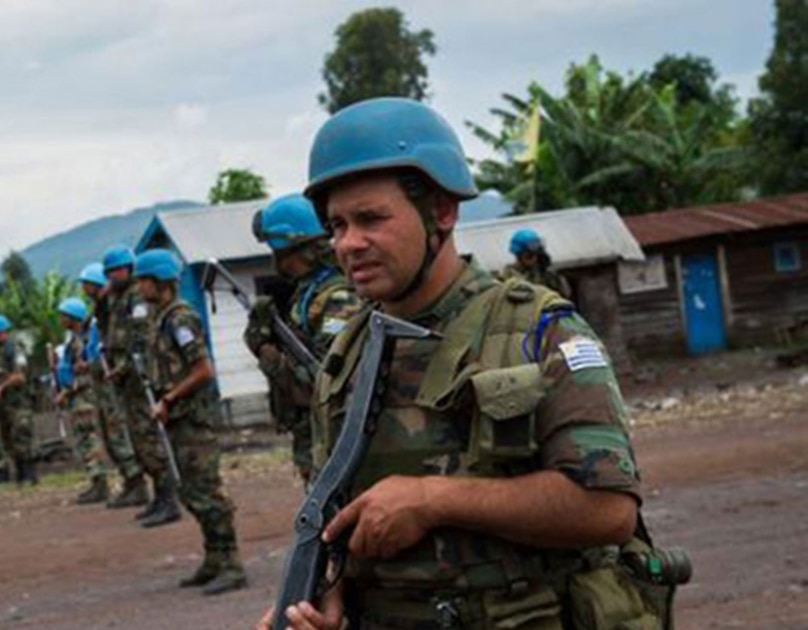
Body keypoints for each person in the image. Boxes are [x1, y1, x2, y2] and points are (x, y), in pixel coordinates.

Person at [259, 98, 653, 630]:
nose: (349, 244)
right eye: (337, 225)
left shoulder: (538, 330)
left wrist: (434, 499)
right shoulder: (348, 352)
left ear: (442, 212)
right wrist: (327, 593)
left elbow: (608, 509)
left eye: (371, 219)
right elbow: (339, 517)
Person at [134, 248, 248, 595]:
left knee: (207, 492)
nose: (139, 288)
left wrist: (169, 398)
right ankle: (214, 559)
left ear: (161, 282)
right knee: (190, 490)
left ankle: (232, 564)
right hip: (178, 421)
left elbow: (202, 370)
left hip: (192, 421)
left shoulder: (180, 319)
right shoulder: (162, 318)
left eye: (144, 280)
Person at [245, 193, 362, 486]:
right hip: (313, 433)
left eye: (280, 251)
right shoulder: (309, 294)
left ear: (304, 250)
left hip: (336, 437)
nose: (276, 260)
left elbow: (325, 381)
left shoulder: (338, 298)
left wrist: (267, 353)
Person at [101, 245, 181, 526]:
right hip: (128, 381)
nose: (112, 276)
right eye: (109, 272)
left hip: (139, 378)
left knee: (150, 440)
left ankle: (168, 499)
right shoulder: (117, 299)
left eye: (117, 270)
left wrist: (123, 368)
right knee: (139, 441)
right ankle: (158, 497)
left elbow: (139, 339)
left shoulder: (137, 299)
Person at [81, 262, 149, 508]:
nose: (84, 289)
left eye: (87, 284)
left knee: (119, 430)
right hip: (105, 372)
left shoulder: (119, 303)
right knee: (110, 433)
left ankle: (136, 481)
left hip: (117, 372)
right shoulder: (102, 308)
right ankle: (131, 482)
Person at [55, 297, 113, 504]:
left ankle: (100, 484)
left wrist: (68, 391)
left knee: (89, 440)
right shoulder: (74, 339)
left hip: (83, 399)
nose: (61, 319)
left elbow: (86, 374)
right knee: (84, 441)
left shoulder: (81, 342)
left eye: (64, 315)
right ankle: (96, 483)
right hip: (76, 398)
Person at [0, 314, 38, 485]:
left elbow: (20, 376)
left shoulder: (15, 350)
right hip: (1, 405)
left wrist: (2, 387)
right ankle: (15, 474)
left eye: (1, 333)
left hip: (18, 402)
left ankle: (28, 474)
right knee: (5, 439)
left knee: (22, 436)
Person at [501, 228, 573, 298]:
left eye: (537, 254)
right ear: (519, 256)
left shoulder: (543, 273)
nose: (534, 259)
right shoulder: (508, 276)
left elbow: (565, 293)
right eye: (529, 255)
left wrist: (551, 272)